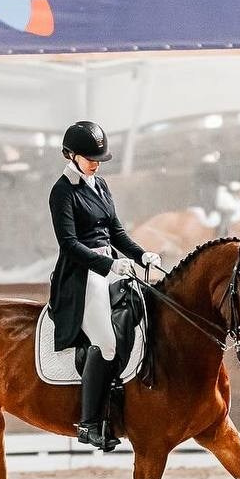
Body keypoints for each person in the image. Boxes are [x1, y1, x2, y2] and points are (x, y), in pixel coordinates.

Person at [48, 120, 162, 451]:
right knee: (106, 343)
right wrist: (109, 265)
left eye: (99, 158)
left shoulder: (100, 185)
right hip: (82, 276)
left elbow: (116, 232)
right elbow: (69, 244)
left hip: (111, 266)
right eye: (90, 158)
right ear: (70, 155)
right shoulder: (62, 191)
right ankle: (89, 424)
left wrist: (141, 255)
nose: (96, 164)